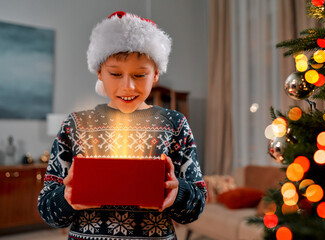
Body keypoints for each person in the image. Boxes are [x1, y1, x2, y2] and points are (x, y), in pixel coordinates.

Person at [38, 11, 207, 240]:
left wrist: (177, 193)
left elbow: (195, 207)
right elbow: (47, 210)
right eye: (116, 74)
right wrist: (66, 197)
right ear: (99, 72)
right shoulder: (75, 125)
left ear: (156, 74)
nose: (127, 86)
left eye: (139, 75)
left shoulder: (175, 124)